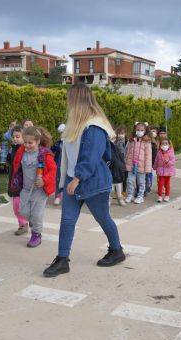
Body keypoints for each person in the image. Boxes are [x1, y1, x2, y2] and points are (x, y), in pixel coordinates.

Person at [43, 83, 125, 278]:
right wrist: (66, 180)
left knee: (103, 218)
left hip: (92, 181)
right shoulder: (77, 124)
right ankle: (62, 260)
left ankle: (117, 251)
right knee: (67, 220)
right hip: (75, 179)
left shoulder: (94, 126)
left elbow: (91, 156)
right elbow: (67, 155)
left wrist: (77, 178)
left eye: (70, 98)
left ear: (77, 100)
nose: (67, 102)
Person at [11, 126, 57, 248]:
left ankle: (36, 234)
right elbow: (16, 164)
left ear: (37, 141)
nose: (27, 145)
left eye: (30, 143)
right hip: (25, 189)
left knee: (37, 214)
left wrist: (44, 180)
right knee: (22, 211)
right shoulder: (21, 151)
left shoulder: (44, 154)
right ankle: (33, 221)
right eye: (25, 142)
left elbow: (53, 170)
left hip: (40, 190)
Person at [1, 125, 29, 235]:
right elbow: (10, 162)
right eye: (14, 137)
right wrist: (7, 155)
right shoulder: (13, 148)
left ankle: (25, 223)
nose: (15, 139)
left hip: (23, 182)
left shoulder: (26, 149)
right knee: (16, 205)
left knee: (20, 205)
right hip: (14, 181)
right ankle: (22, 224)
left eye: (18, 136)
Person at [124, 122, 152, 204]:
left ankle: (140, 196)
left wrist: (147, 168)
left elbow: (148, 156)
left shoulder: (147, 142)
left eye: (141, 130)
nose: (139, 131)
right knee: (129, 181)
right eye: (138, 130)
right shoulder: (131, 141)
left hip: (142, 166)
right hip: (131, 165)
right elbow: (127, 152)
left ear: (145, 131)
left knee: (141, 182)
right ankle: (130, 195)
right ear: (135, 130)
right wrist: (125, 162)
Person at [153, 138, 176, 202]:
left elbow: (173, 162)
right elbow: (156, 161)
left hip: (168, 172)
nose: (164, 145)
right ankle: (160, 196)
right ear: (160, 145)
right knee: (160, 184)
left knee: (167, 184)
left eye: (166, 143)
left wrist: (168, 161)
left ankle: (167, 195)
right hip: (160, 171)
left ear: (169, 145)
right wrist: (154, 167)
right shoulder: (159, 153)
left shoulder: (171, 153)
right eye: (163, 143)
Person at [111, 125, 127, 206]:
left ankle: (119, 197)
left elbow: (122, 154)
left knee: (118, 181)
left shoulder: (121, 143)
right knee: (110, 182)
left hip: (118, 165)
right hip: (110, 165)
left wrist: (122, 164)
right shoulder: (109, 142)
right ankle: (109, 199)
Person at [52, 123, 66, 205]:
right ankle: (57, 196)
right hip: (59, 164)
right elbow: (52, 151)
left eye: (63, 132)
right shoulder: (58, 143)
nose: (62, 134)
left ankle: (68, 197)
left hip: (68, 165)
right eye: (61, 133)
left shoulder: (72, 142)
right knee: (58, 179)